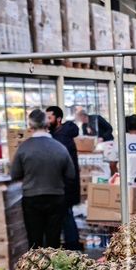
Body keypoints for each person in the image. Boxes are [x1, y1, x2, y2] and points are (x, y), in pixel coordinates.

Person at [10, 109, 75, 249]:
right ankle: (54, 268)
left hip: (32, 198)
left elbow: (14, 174)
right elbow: (71, 175)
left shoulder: (23, 148)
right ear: (47, 125)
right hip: (56, 197)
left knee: (34, 239)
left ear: (30, 126)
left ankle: (35, 268)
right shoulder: (60, 148)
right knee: (53, 239)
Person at [45, 106, 82, 250]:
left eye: (50, 118)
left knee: (66, 214)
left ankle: (72, 246)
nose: (47, 121)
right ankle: (71, 244)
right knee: (66, 214)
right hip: (65, 184)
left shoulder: (62, 138)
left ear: (58, 119)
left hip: (65, 185)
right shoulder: (58, 134)